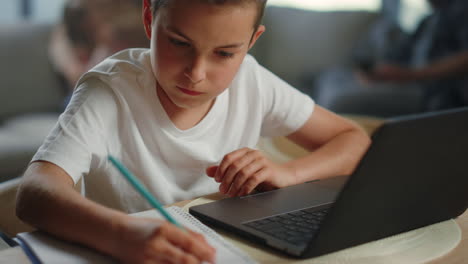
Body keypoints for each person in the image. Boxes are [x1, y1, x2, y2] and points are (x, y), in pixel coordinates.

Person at [16, 0, 371, 263]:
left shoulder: (253, 82)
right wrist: (121, 234)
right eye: (179, 44)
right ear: (149, 18)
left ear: (251, 41)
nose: (196, 73)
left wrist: (288, 172)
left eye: (224, 53)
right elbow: (33, 193)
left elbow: (355, 140)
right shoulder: (110, 91)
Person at [315, 0, 468, 117]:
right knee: (331, 77)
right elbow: (396, 57)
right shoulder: (428, 21)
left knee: (339, 103)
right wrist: (377, 74)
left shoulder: (461, 11)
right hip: (402, 82)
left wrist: (410, 75)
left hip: (433, 93)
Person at [49, 0, 149, 107]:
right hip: (89, 92)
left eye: (104, 8)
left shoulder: (129, 25)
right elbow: (78, 78)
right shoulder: (69, 32)